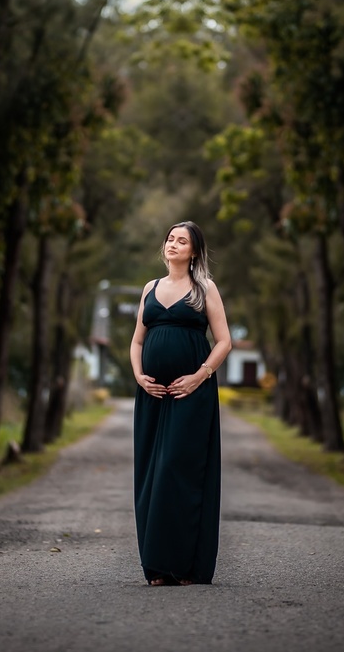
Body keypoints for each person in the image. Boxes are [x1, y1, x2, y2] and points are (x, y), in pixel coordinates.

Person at [129, 221, 232, 586]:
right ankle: (157, 567)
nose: (173, 244)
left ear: (194, 251)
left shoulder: (205, 289)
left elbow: (224, 342)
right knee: (151, 475)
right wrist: (140, 377)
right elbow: (138, 341)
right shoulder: (150, 288)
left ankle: (186, 566)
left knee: (180, 470)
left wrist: (199, 376)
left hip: (191, 394)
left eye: (181, 240)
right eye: (170, 238)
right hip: (152, 396)